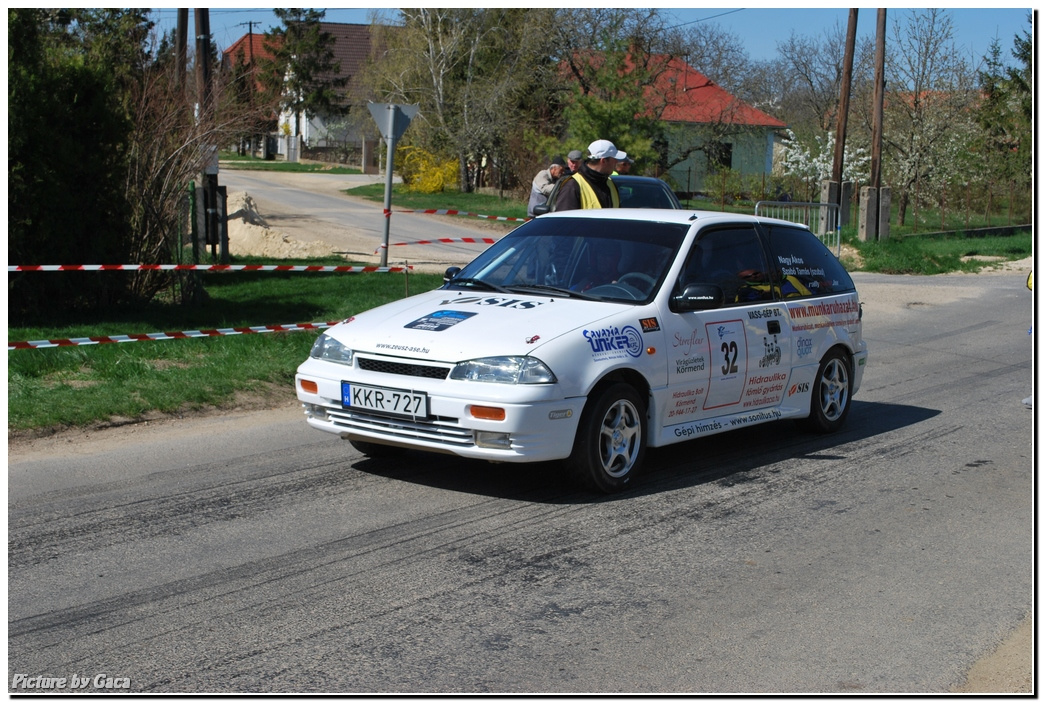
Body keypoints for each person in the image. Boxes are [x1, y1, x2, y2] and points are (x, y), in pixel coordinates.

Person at [554, 140, 625, 212]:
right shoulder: (572, 186)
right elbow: (564, 221)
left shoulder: (610, 184)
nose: (617, 162)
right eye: (614, 159)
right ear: (603, 161)